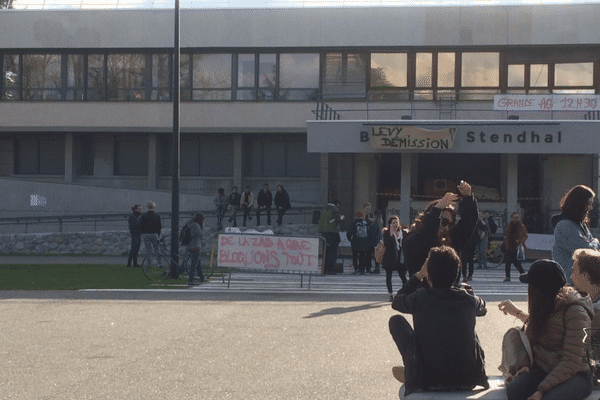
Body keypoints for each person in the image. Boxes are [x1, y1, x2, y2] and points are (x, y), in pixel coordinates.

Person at [389, 246, 489, 395]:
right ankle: (414, 371)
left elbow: (397, 301)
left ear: (428, 273)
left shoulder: (420, 298)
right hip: (466, 378)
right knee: (468, 327)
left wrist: (417, 277)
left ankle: (412, 370)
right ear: (456, 273)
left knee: (396, 321)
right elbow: (483, 308)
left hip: (428, 378)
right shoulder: (467, 299)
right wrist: (464, 290)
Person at [498, 259, 594, 400]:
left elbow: (572, 360)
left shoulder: (575, 311)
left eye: (531, 285)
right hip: (545, 368)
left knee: (551, 397)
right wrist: (523, 365)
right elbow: (535, 335)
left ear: (540, 290)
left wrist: (542, 390)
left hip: (577, 374)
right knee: (515, 390)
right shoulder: (545, 307)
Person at [402, 180, 479, 278]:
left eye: (450, 223)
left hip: (447, 292)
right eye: (443, 221)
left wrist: (468, 199)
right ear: (427, 218)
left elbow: (468, 224)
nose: (446, 227)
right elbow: (425, 238)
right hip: (422, 291)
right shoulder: (411, 238)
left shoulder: (450, 240)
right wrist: (437, 209)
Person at [552, 185, 600, 284]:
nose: (590, 208)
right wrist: (595, 241)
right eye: (588, 204)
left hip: (577, 280)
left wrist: (592, 242)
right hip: (569, 281)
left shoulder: (578, 224)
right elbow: (586, 250)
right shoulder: (566, 225)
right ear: (579, 204)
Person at [318, 198, 345, 275]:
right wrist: (342, 218)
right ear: (337, 204)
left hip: (324, 233)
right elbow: (337, 219)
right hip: (332, 232)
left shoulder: (325, 209)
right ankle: (330, 269)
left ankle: (324, 269)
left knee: (325, 252)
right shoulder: (335, 209)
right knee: (332, 253)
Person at [382, 215, 406, 301]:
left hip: (400, 258)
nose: (395, 224)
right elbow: (387, 244)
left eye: (397, 222)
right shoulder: (387, 233)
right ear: (390, 224)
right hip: (390, 258)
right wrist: (391, 234)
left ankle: (405, 292)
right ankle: (390, 294)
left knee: (403, 276)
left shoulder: (402, 232)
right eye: (393, 223)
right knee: (389, 277)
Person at [503, 212, 528, 282]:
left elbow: (525, 236)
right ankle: (508, 277)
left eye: (517, 217)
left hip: (517, 247)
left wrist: (519, 240)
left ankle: (524, 275)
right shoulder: (509, 225)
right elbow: (506, 235)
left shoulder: (521, 226)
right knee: (508, 263)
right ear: (511, 218)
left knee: (517, 264)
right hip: (509, 247)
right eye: (514, 217)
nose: (515, 219)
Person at [346, 210, 371, 275]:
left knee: (355, 256)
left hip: (355, 242)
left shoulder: (354, 223)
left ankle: (356, 268)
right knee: (362, 256)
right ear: (363, 216)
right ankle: (362, 269)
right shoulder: (366, 223)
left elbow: (349, 233)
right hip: (364, 242)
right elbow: (370, 233)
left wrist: (350, 240)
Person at [185, 213, 205, 286]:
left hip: (190, 246)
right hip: (195, 246)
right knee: (194, 264)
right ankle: (191, 280)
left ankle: (202, 277)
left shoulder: (190, 224)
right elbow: (200, 235)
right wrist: (202, 227)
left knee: (198, 263)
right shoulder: (196, 225)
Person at [369, 209, 384, 274]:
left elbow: (374, 231)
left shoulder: (376, 221)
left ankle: (377, 268)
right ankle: (377, 268)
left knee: (375, 255)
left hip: (375, 240)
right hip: (379, 239)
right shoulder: (380, 221)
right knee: (377, 255)